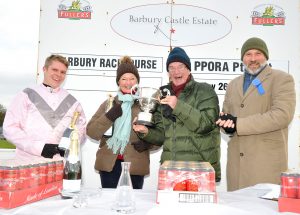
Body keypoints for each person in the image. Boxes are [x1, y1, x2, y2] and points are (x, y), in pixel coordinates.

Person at [216, 37, 296, 191]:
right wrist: (226, 125)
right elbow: (228, 115)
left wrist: (238, 124)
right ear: (242, 59)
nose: (253, 59)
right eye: (248, 54)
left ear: (266, 56)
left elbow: (282, 115)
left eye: (258, 53)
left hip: (265, 166)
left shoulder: (281, 79)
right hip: (236, 167)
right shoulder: (233, 84)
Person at [132, 47, 221, 182]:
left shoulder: (205, 90)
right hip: (171, 170)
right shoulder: (162, 94)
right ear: (168, 72)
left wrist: (178, 105)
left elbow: (206, 124)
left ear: (189, 69)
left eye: (181, 66)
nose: (176, 71)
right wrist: (146, 132)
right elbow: (162, 136)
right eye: (171, 68)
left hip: (200, 169)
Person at [86, 56, 157, 189]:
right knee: (108, 205)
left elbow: (159, 136)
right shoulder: (109, 103)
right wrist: (109, 116)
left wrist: (148, 143)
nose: (128, 82)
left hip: (135, 165)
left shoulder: (145, 104)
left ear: (137, 81)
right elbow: (91, 132)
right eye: (124, 78)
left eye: (132, 78)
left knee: (133, 206)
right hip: (109, 165)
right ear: (118, 82)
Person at [3, 54, 86, 160]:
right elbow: (10, 128)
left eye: (63, 72)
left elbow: (81, 130)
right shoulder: (26, 95)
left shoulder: (73, 102)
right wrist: (39, 148)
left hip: (59, 165)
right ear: (44, 69)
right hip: (28, 163)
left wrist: (70, 144)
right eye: (55, 70)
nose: (58, 75)